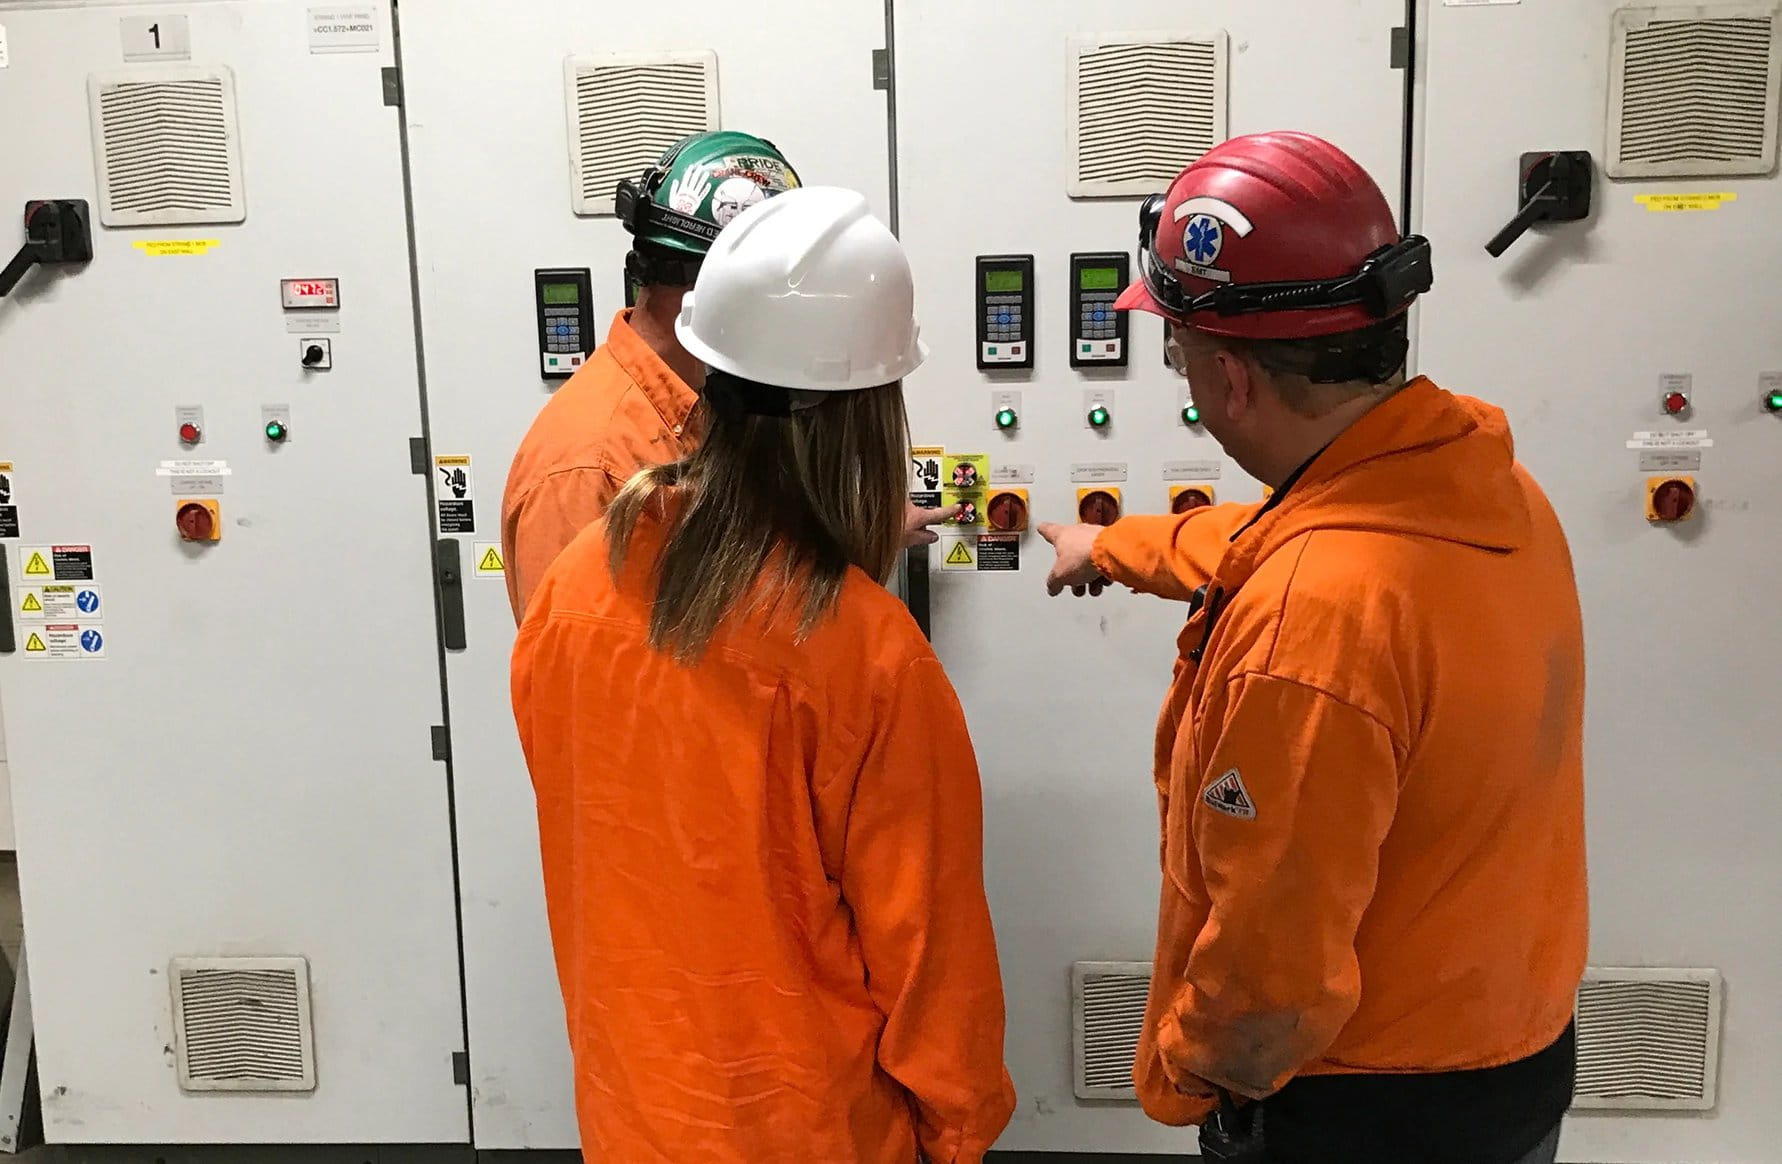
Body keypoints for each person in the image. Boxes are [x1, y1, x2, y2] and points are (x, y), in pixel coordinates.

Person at [1038, 132, 1587, 1164]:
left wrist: (1198, 1075)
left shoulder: (1315, 620)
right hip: (1514, 1051)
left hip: (1361, 1106)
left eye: (1178, 353)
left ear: (1230, 378)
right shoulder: (1487, 491)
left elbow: (1271, 968)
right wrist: (1108, 545)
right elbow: (1270, 537)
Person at [512, 185, 1016, 1163]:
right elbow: (932, 965)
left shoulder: (576, 587)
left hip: (634, 1118)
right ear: (871, 412)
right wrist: (957, 1135)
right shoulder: (866, 651)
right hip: (813, 1132)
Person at [502, 131, 952, 621]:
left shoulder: (715, 404)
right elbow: (583, 661)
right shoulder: (587, 467)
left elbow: (742, 575)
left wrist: (860, 534)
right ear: (720, 287)